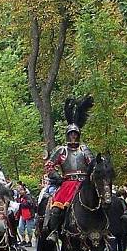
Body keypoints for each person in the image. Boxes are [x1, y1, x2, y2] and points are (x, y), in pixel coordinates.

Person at [44, 96, 94, 240]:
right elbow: (49, 165)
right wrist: (55, 176)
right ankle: (54, 231)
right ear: (67, 135)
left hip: (84, 183)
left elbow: (92, 165)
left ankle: (105, 229)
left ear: (79, 135)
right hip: (67, 183)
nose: (73, 137)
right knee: (56, 208)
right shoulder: (61, 150)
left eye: (75, 134)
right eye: (71, 134)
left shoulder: (85, 150)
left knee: (101, 202)